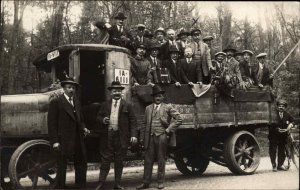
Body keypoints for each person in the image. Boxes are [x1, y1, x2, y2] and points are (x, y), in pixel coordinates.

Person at [136, 85, 182, 189]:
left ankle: (160, 182)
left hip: (162, 136)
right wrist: (142, 138)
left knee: (161, 159)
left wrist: (169, 129)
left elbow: (179, 119)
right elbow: (144, 124)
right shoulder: (148, 108)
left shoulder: (167, 107)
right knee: (148, 159)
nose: (158, 98)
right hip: (150, 137)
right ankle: (145, 182)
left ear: (163, 97)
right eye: (156, 96)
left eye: (160, 96)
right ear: (153, 97)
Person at [48, 78, 90, 189]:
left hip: (78, 138)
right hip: (64, 139)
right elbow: (51, 124)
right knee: (62, 164)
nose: (71, 90)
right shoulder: (56, 102)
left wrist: (84, 128)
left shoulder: (76, 101)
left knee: (81, 162)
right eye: (69, 87)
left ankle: (81, 186)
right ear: (64, 88)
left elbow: (80, 119)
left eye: (73, 88)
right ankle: (60, 187)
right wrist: (55, 141)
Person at [95, 81, 138, 190]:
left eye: (118, 91)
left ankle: (117, 184)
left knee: (119, 160)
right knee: (105, 159)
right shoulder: (105, 105)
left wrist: (133, 135)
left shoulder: (127, 105)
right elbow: (98, 117)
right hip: (108, 135)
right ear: (111, 93)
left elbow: (133, 121)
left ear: (121, 92)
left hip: (121, 136)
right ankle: (101, 183)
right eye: (114, 91)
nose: (116, 93)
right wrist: (103, 119)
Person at [268, 99, 295, 172]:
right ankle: (274, 165)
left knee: (282, 150)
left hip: (283, 136)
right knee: (273, 150)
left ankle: (280, 165)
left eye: (283, 106)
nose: (281, 107)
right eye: (279, 106)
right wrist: (276, 129)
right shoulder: (273, 114)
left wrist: (291, 124)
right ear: (277, 106)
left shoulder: (287, 114)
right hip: (274, 136)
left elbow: (293, 120)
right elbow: (269, 124)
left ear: (285, 107)